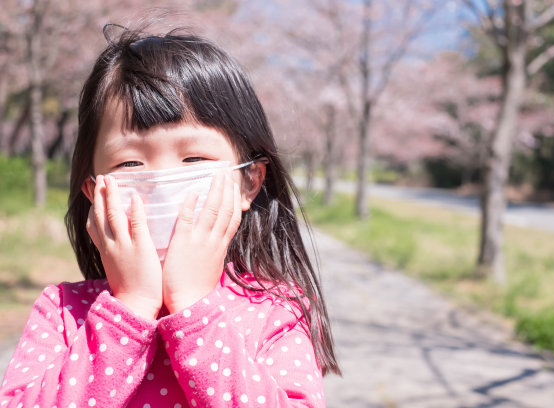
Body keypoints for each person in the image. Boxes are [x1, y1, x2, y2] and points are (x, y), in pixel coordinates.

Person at [0, 25, 339, 408]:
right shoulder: (63, 312)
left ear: (249, 181)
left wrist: (194, 309)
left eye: (194, 158)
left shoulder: (276, 311)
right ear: (94, 192)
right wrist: (129, 307)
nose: (160, 183)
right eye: (129, 162)